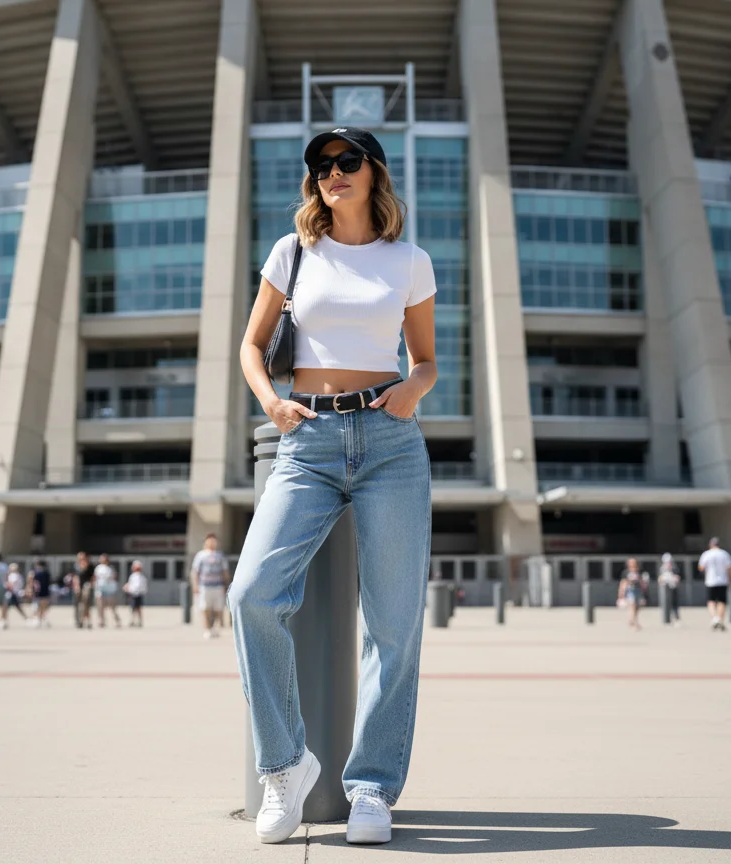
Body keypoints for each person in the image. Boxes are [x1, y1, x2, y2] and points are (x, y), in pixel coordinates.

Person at [230, 127, 437, 846]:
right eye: (322, 166)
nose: (333, 174)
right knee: (251, 593)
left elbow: (428, 359)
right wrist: (269, 401)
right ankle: (286, 767)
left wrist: (414, 387)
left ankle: (373, 786)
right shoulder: (294, 253)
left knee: (392, 624)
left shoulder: (409, 261)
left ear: (375, 174)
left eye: (348, 162)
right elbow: (253, 345)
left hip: (389, 443)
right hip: (307, 442)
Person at [191, 533, 230, 640]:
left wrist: (227, 585)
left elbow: (225, 572)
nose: (212, 542)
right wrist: (195, 585)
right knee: (205, 608)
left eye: (214, 540)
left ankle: (215, 629)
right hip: (204, 586)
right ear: (206, 542)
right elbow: (195, 572)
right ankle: (207, 629)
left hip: (218, 586)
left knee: (218, 608)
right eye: (210, 540)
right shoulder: (200, 555)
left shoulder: (220, 556)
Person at [698, 537, 731, 632]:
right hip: (722, 581)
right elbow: (729, 568)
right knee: (722, 602)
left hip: (710, 581)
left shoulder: (706, 554)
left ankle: (714, 618)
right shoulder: (724, 554)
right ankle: (720, 620)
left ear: (710, 544)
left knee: (711, 601)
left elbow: (701, 567)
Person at [617, 558, 647, 630]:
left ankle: (632, 620)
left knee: (637, 606)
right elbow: (623, 582)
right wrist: (621, 592)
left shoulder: (639, 572)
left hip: (638, 590)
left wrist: (639, 579)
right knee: (632, 606)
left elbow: (643, 582)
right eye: (630, 563)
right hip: (630, 590)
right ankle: (635, 623)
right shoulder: (626, 572)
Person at [94, 553, 122, 628]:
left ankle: (117, 621)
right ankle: (101, 621)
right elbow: (95, 579)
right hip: (100, 590)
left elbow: (114, 577)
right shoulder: (98, 568)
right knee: (100, 607)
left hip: (110, 591)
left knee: (113, 607)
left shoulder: (111, 568)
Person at [71, 551, 95, 629]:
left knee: (86, 604)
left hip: (86, 587)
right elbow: (75, 577)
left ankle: (85, 620)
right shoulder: (76, 566)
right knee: (78, 605)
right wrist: (76, 586)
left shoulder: (90, 566)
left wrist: (91, 585)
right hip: (78, 587)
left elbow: (93, 577)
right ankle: (78, 620)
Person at [657, 553, 681, 625]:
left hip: (673, 588)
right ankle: (666, 619)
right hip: (665, 588)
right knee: (665, 604)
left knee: (674, 603)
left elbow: (677, 578)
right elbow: (660, 579)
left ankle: (676, 617)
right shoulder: (662, 568)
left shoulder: (674, 568)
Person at [28, 559, 52, 628]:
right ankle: (42, 619)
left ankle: (38, 619)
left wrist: (30, 589)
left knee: (38, 607)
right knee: (43, 607)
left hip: (37, 592)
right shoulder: (47, 573)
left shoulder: (35, 573)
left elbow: (31, 582)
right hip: (45, 591)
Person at [123, 559, 148, 628]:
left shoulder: (141, 577)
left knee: (138, 608)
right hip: (133, 595)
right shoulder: (133, 576)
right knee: (133, 608)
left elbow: (139, 587)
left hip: (137, 594)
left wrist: (129, 589)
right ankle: (133, 621)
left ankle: (139, 621)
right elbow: (131, 585)